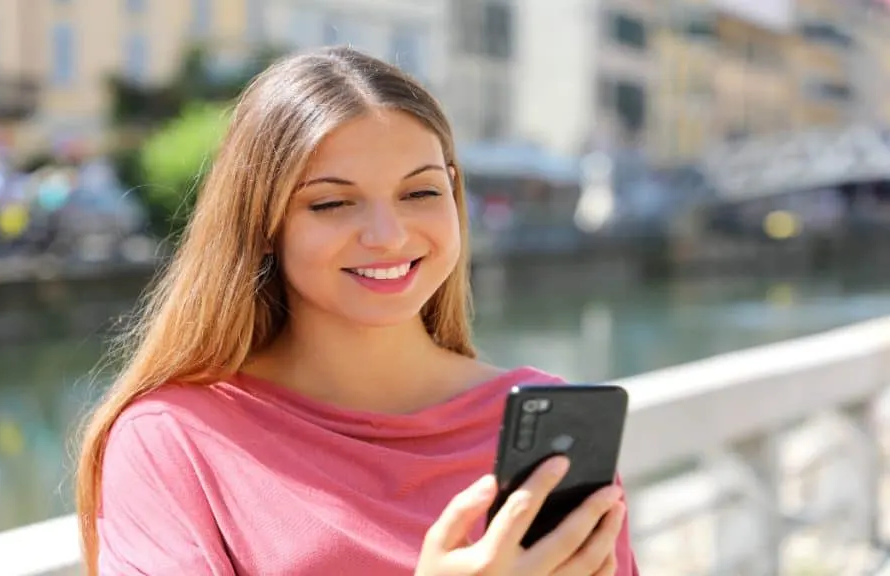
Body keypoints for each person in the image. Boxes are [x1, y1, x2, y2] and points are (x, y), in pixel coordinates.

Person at [75, 46, 639, 575]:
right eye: (332, 203)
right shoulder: (174, 440)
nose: (388, 236)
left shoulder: (549, 432)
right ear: (263, 225)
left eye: (420, 193)